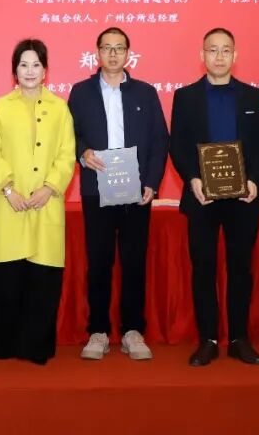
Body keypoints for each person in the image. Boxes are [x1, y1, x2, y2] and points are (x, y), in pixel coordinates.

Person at [170, 28, 259, 366]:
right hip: (202, 198)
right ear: (202, 55)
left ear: (235, 56)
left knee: (240, 269)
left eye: (225, 50)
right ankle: (208, 340)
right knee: (203, 269)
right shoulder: (185, 97)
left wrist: (255, 181)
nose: (218, 56)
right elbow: (178, 146)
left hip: (243, 199)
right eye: (212, 50)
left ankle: (239, 339)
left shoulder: (253, 96)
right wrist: (193, 179)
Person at [68, 27, 168, 360]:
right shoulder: (81, 92)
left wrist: (152, 181)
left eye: (119, 48)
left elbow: (159, 140)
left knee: (134, 262)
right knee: (99, 262)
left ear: (128, 54)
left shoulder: (145, 93)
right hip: (96, 189)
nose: (113, 54)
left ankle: (132, 331)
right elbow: (70, 134)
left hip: (135, 190)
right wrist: (82, 152)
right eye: (107, 48)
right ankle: (97, 331)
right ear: (97, 53)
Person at [0, 39, 76, 365]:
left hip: (45, 204)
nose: (30, 71)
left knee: (42, 282)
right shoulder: (0, 107)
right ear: (15, 70)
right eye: (24, 65)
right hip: (10, 204)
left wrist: (50, 188)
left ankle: (35, 347)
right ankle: (3, 346)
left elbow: (66, 154)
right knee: (7, 281)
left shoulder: (60, 108)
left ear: (45, 70)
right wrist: (9, 189)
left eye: (36, 65)